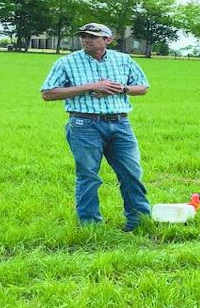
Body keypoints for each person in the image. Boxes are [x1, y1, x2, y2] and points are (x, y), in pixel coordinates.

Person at [41, 22, 151, 231]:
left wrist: (122, 88)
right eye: (83, 36)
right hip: (84, 124)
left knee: (131, 173)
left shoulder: (123, 60)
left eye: (92, 36)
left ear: (107, 40)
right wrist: (91, 86)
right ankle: (90, 225)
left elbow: (143, 87)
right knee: (88, 175)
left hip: (120, 123)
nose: (86, 39)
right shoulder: (67, 63)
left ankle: (139, 221)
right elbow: (47, 93)